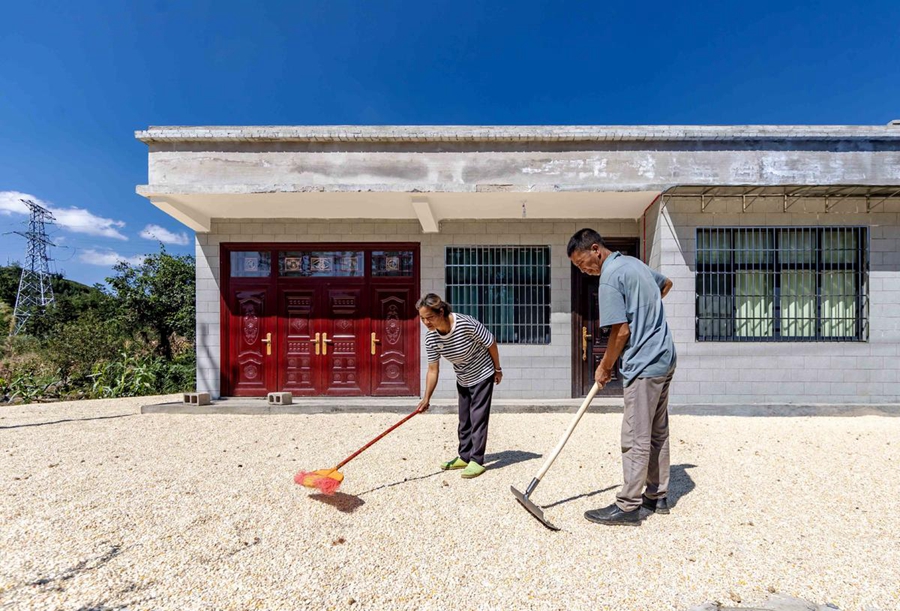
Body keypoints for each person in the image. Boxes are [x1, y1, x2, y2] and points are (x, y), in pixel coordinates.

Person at [568, 228, 676, 526]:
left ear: (595, 249)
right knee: (656, 430)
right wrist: (648, 314)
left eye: (582, 263)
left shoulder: (609, 277)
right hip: (665, 357)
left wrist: (604, 366)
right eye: (578, 268)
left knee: (635, 435)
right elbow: (665, 283)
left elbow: (622, 331)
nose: (584, 270)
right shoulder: (634, 264)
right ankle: (657, 495)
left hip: (643, 363)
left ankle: (629, 506)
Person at [415, 293, 502, 479]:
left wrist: (497, 368)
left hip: (483, 372)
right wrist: (426, 398)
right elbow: (432, 370)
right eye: (422, 319)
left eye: (429, 317)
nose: (426, 323)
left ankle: (477, 460)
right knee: (464, 419)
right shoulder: (431, 339)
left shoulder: (465, 323)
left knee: (477, 417)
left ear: (441, 311)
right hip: (463, 377)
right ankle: (464, 456)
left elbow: (491, 342)